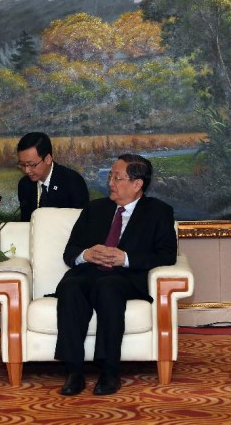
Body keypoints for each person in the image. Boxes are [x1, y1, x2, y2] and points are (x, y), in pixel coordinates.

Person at [55, 154, 177, 396]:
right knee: (71, 286)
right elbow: (70, 252)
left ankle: (109, 370)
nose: (110, 182)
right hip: (89, 272)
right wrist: (86, 254)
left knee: (108, 287)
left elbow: (167, 256)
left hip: (126, 278)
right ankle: (74, 371)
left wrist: (127, 259)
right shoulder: (95, 208)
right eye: (110, 176)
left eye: (117, 177)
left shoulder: (158, 212)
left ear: (137, 184)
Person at [17, 132, 89, 222]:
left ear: (48, 159)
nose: (27, 170)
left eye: (32, 164)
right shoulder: (25, 184)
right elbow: (26, 222)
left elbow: (82, 224)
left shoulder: (72, 181)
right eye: (22, 165)